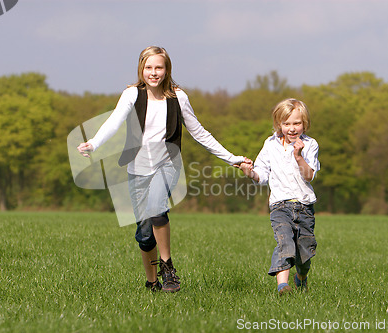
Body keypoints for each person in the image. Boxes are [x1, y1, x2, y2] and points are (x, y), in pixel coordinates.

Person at [77, 46, 251, 293]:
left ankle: (168, 268)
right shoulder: (131, 95)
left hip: (167, 165)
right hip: (137, 170)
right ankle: (151, 282)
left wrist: (231, 158)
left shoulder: (178, 97)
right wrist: (93, 143)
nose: (154, 72)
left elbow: (199, 132)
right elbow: (114, 121)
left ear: (167, 69)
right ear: (141, 69)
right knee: (145, 234)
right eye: (148, 67)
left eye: (159, 67)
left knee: (158, 211)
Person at [240, 98, 320, 296]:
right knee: (284, 242)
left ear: (305, 124)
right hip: (280, 205)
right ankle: (282, 286)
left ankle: (301, 276)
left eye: (296, 123)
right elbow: (262, 175)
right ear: (278, 124)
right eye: (286, 124)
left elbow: (309, 175)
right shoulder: (270, 144)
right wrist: (249, 172)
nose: (292, 129)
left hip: (304, 206)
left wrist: (298, 156)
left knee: (304, 253)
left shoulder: (310, 145)